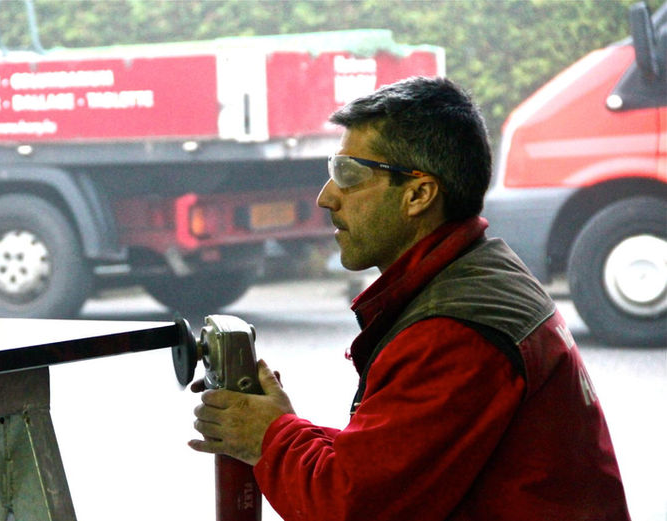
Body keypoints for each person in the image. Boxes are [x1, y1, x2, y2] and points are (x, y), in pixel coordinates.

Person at [188, 76, 631, 520]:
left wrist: (269, 437)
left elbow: (352, 508)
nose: (326, 198)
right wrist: (281, 426)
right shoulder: (479, 276)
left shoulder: (453, 333)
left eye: (348, 175)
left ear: (418, 194)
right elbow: (391, 465)